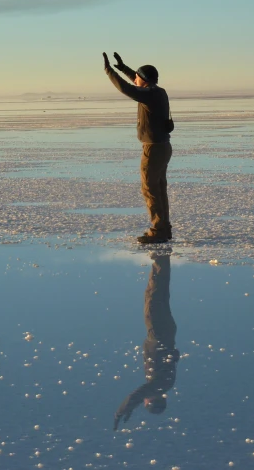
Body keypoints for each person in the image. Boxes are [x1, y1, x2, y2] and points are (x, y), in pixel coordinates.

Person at [103, 52, 172, 244]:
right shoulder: (158, 92)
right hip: (162, 147)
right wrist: (124, 68)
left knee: (150, 189)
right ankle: (164, 228)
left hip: (153, 150)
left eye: (137, 78)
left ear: (144, 81)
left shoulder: (149, 95)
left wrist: (109, 71)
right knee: (159, 188)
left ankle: (158, 230)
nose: (135, 80)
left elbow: (127, 88)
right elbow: (137, 81)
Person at [114, 253, 179, 431]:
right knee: (153, 295)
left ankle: (162, 257)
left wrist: (130, 408)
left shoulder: (167, 384)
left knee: (159, 293)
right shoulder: (158, 386)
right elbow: (136, 395)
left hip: (166, 334)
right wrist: (122, 411)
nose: (144, 399)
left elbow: (175, 356)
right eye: (145, 402)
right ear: (150, 400)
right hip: (158, 333)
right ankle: (160, 256)